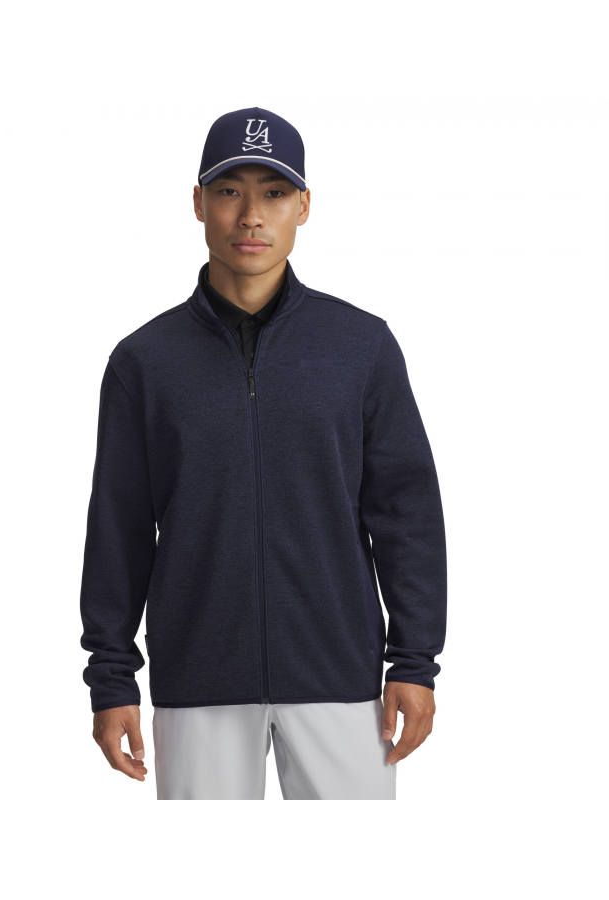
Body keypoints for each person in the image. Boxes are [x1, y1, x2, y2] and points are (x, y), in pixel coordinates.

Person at [79, 107, 447, 800]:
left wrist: (414, 663)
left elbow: (407, 514)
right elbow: (118, 529)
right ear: (198, 203)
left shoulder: (360, 347)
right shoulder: (144, 362)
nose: (251, 215)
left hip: (341, 679)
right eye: (229, 190)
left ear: (303, 206)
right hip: (199, 681)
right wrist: (112, 677)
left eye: (274, 192)